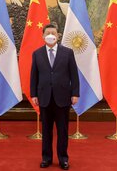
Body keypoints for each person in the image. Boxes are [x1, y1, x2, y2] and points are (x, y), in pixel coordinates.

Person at [30, 24, 79, 170]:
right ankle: (46, 158)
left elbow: (74, 75)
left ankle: (63, 159)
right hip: (44, 97)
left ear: (58, 35)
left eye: (53, 33)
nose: (51, 35)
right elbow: (34, 76)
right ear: (43, 36)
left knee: (63, 131)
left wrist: (75, 93)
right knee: (46, 130)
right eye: (48, 33)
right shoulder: (37, 53)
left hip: (63, 97)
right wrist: (33, 94)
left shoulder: (68, 53)